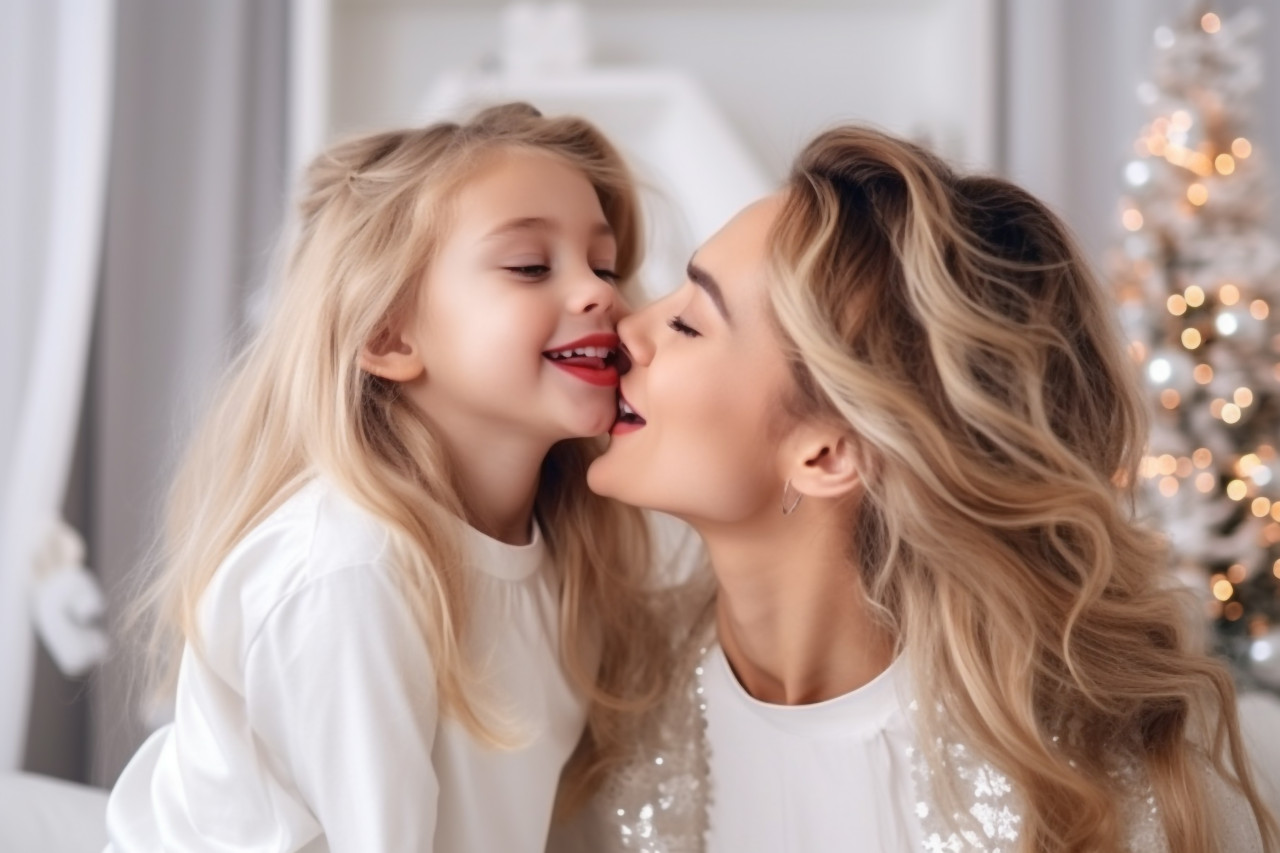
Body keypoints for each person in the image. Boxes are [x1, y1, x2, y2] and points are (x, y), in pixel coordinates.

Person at [578, 125, 1277, 851]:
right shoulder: (605, 699)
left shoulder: (1093, 794)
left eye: (689, 322)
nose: (629, 326)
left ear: (828, 454)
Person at [104, 103, 672, 853]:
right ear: (389, 335)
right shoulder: (350, 571)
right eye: (531, 265)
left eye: (604, 264)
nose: (602, 292)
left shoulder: (565, 560)